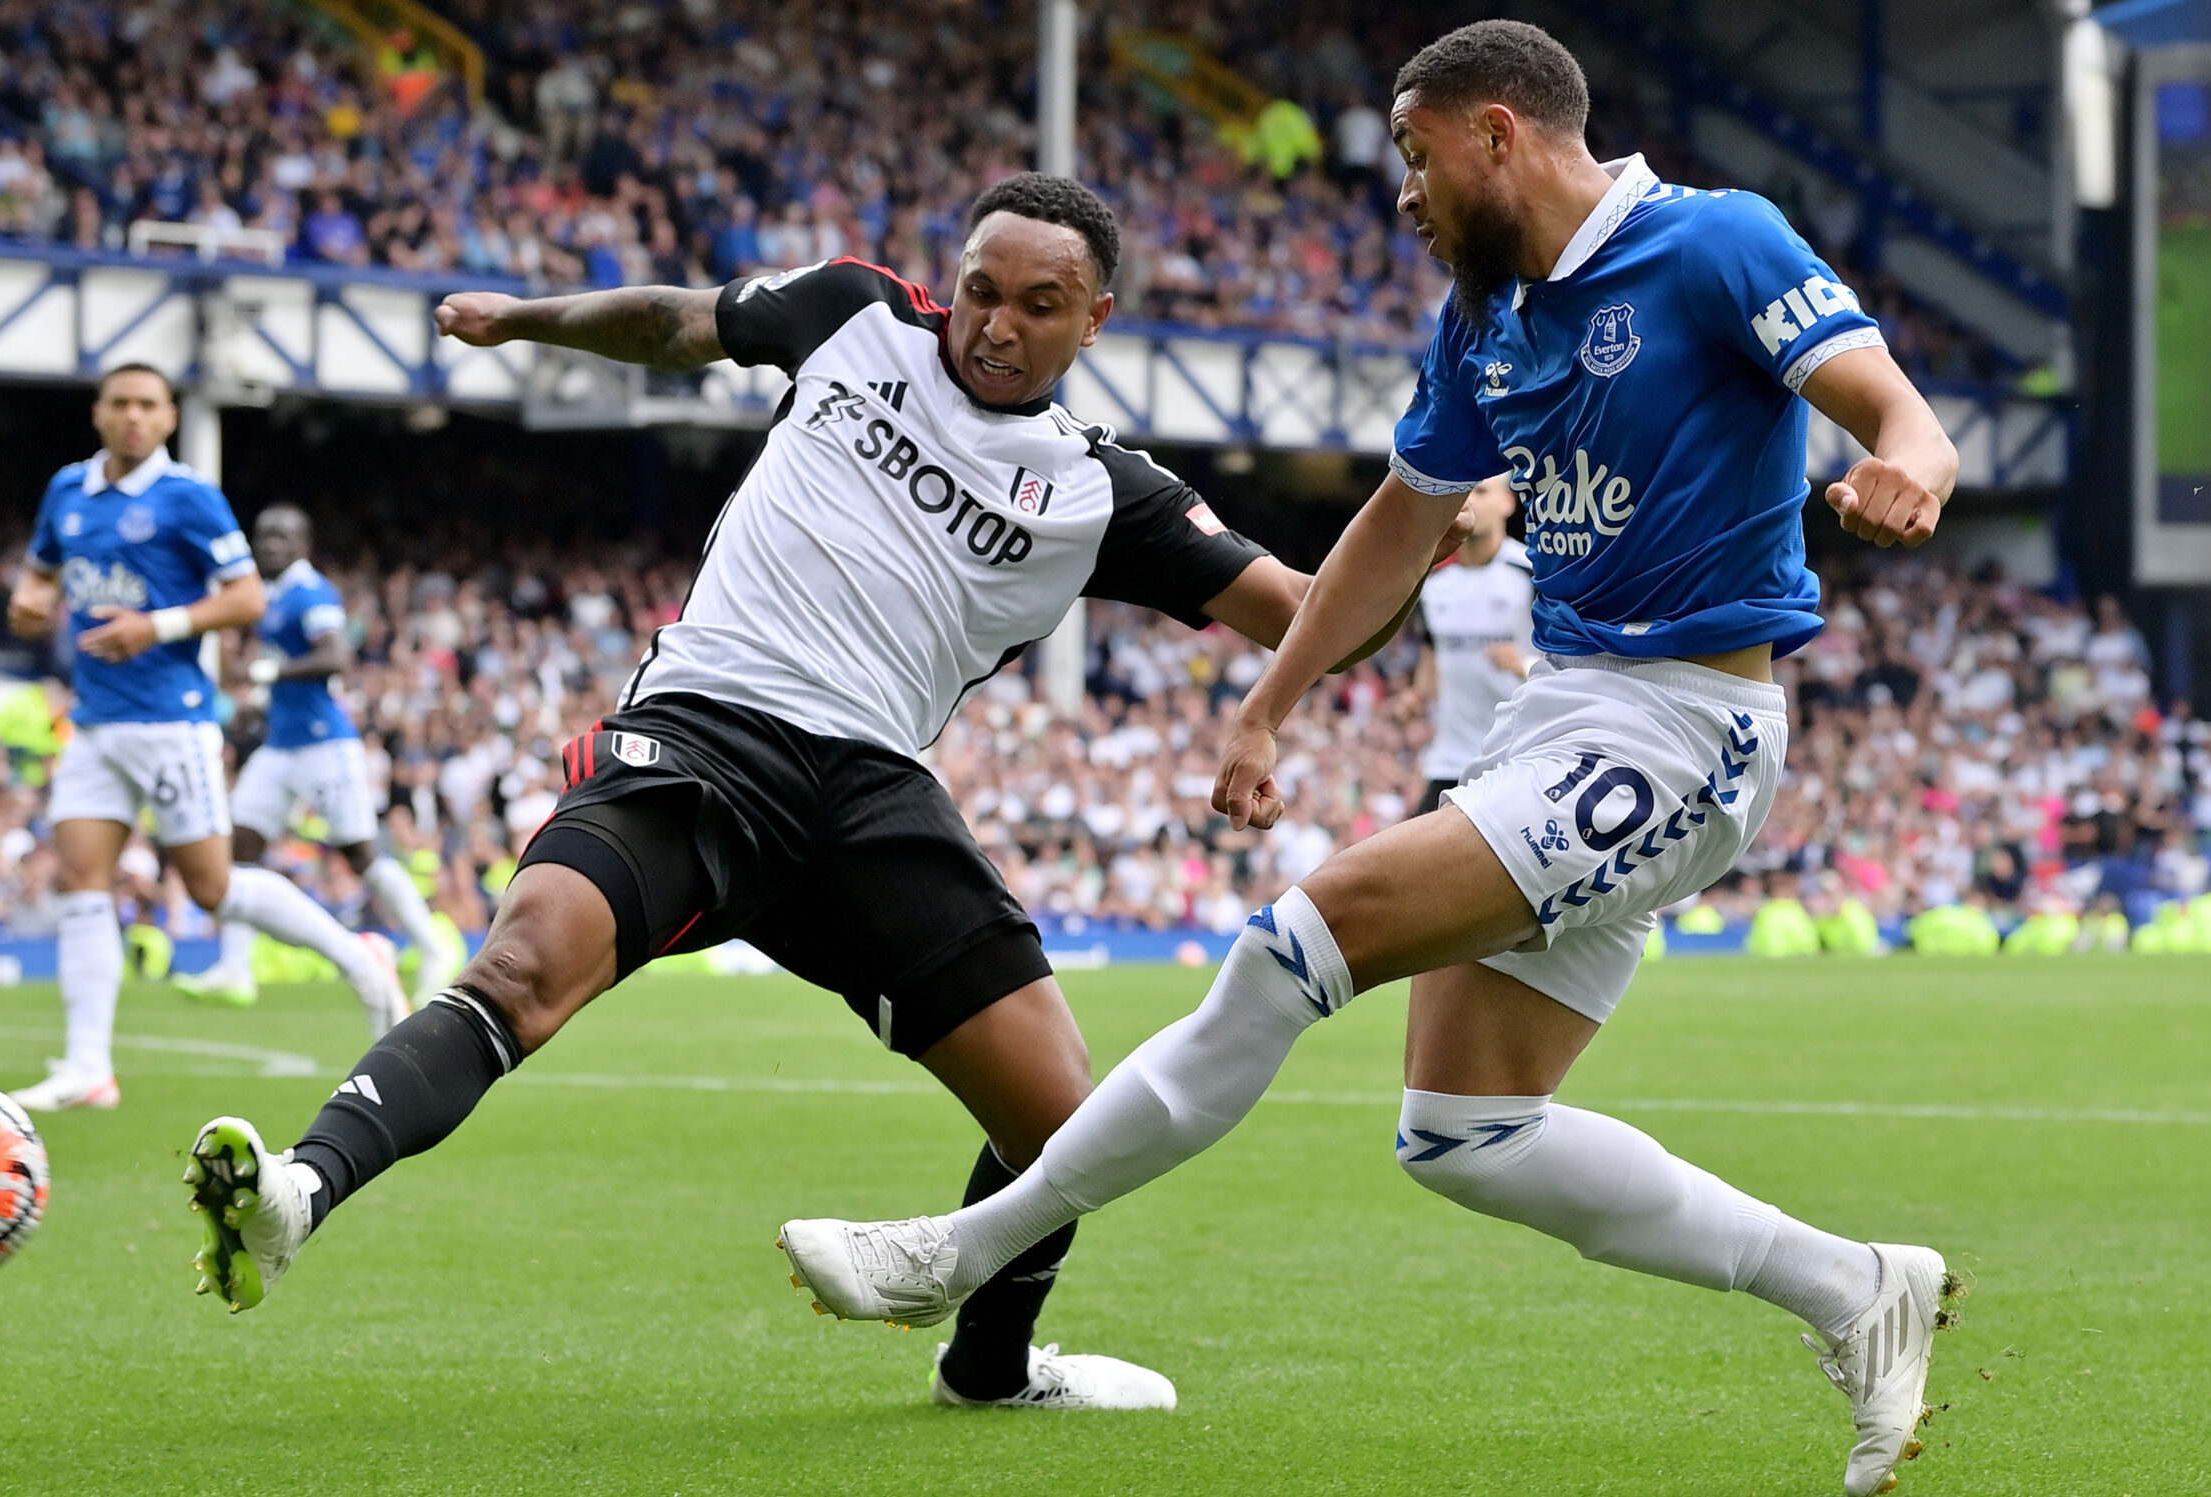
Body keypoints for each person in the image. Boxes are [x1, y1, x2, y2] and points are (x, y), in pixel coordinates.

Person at [778, 25, 1965, 1497]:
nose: (1400, 193)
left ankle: (959, 1251)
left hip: (1685, 730)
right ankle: (1858, 1288)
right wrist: (1270, 703)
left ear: (1494, 135)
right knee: (1465, 1129)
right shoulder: (1487, 320)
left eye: (1412, 157)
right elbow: (1396, 526)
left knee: (1300, 943)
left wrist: (1909, 459)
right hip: (1567, 716)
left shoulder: (1713, 243)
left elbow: (1887, 398)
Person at [180, 175, 1469, 1412]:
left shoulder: (1104, 493)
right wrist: (523, 317)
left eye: (1036, 304)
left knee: (1064, 1120)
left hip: (869, 797)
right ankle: (300, 1186)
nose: (996, 324)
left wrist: (1425, 527)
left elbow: (1310, 618)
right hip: (704, 733)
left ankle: (991, 1367)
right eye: (980, 289)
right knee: (521, 969)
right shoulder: (855, 316)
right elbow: (679, 323)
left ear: (1093, 319)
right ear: (948, 279)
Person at [5, 365, 404, 1112]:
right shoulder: (67, 490)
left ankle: (360, 957)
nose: (133, 416)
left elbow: (246, 596)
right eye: (120, 403)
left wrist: (154, 626)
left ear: (166, 419)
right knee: (82, 881)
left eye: (148, 405)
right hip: (94, 722)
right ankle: (89, 1067)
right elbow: (39, 575)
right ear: (98, 412)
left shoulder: (187, 496)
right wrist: (28, 604)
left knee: (213, 888)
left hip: (171, 720)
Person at [176, 505, 463, 1020]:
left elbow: (335, 657)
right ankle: (235, 969)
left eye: (284, 535)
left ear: (304, 543)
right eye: (264, 534)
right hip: (283, 744)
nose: (271, 544)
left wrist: (270, 674)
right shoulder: (273, 594)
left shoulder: (311, 592)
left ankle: (434, 944)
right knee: (238, 846)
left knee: (359, 853)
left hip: (324, 743)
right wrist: (260, 703)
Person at [1413, 474, 1531, 810]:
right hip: (1450, 761)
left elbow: (1571, 663)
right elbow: (1431, 666)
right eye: (1460, 493)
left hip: (1518, 758)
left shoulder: (1533, 574)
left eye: (1480, 491)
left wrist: (1524, 665)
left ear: (1508, 502)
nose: (1469, 501)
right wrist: (1413, 699)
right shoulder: (1434, 585)